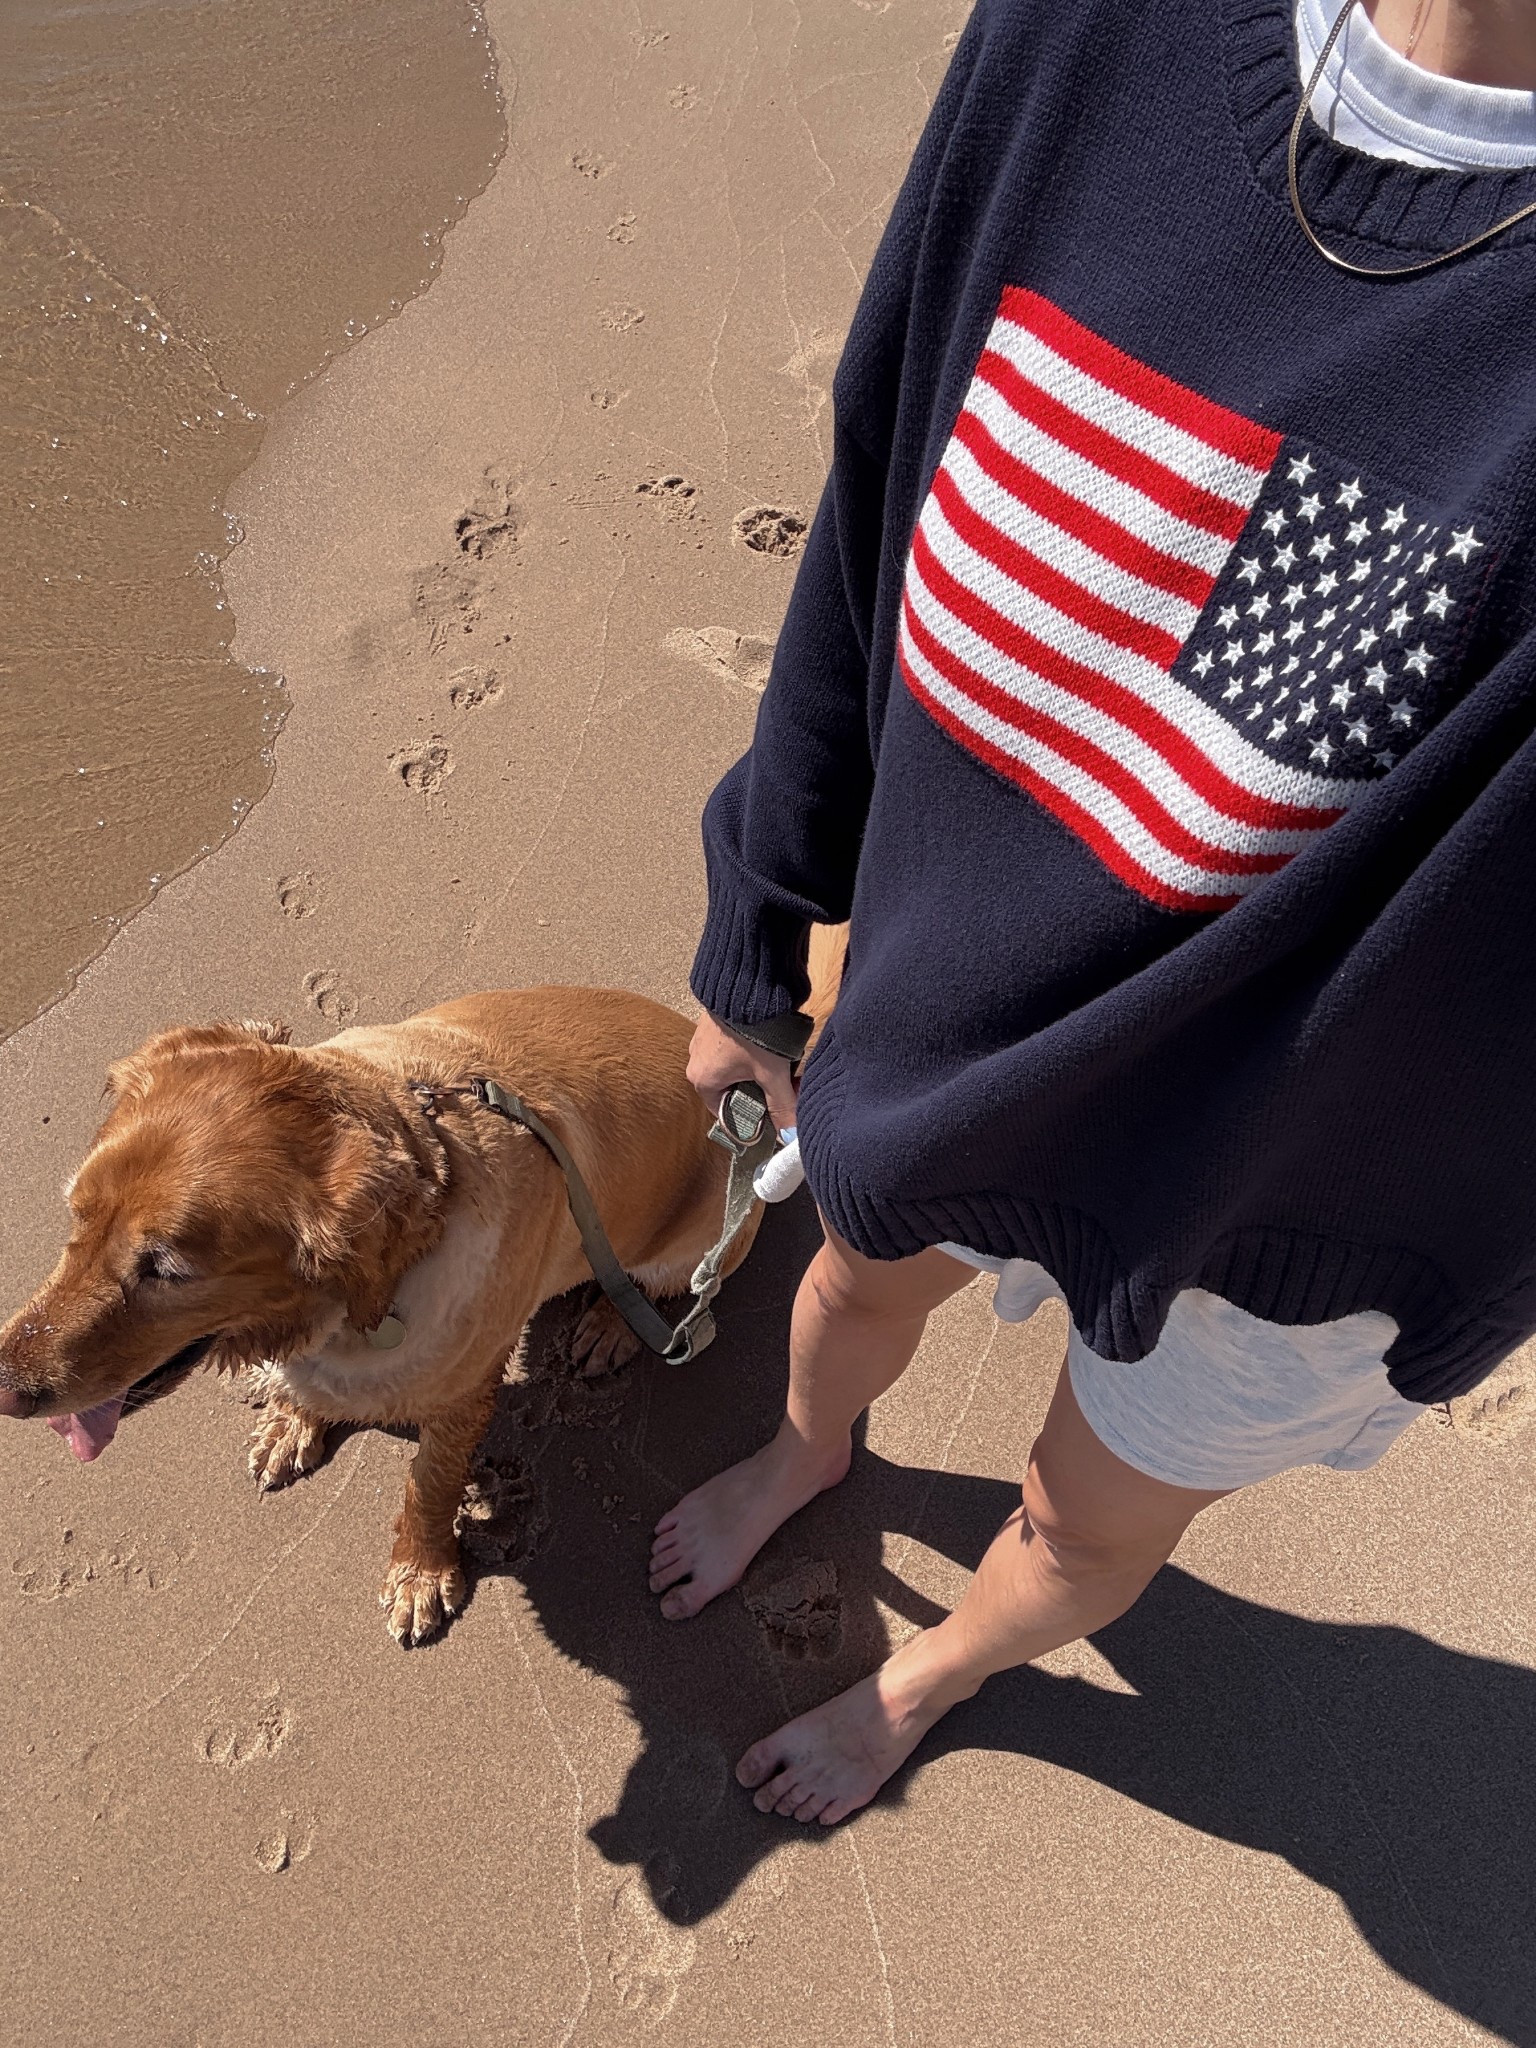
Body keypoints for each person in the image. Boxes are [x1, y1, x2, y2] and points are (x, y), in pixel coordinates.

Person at [651, 0, 1536, 1827]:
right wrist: (761, 929)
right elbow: (884, 468)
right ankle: (810, 1455)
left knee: (1080, 1512)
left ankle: (922, 1679)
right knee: (841, 1285)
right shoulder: (1100, 34)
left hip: (1318, 1177)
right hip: (969, 1013)